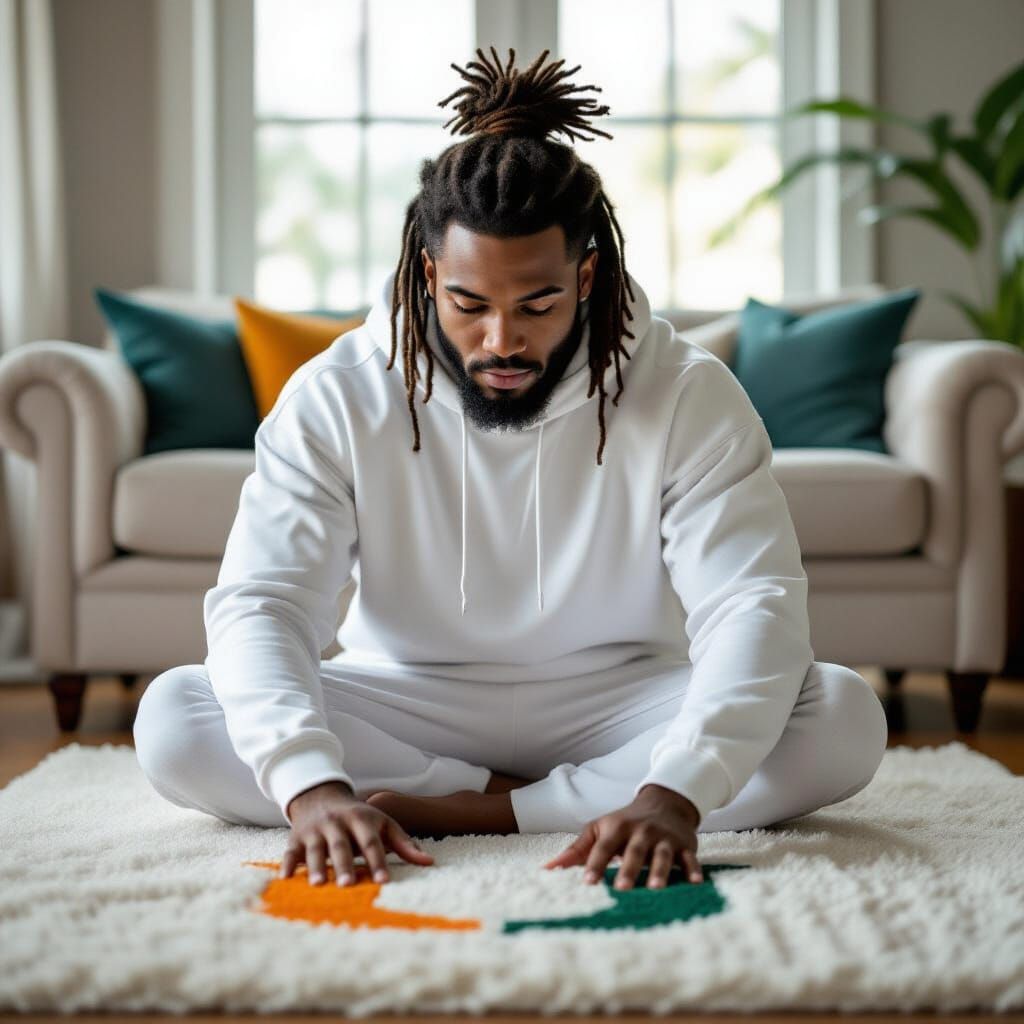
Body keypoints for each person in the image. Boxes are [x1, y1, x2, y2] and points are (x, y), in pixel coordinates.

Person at [133, 46, 888, 894]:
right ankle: (513, 798)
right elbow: (266, 602)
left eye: (537, 304)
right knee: (175, 718)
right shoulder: (338, 394)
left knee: (842, 714)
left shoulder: (686, 391)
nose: (501, 341)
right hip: (404, 700)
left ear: (587, 274)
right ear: (428, 273)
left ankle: (488, 810)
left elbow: (752, 600)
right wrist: (311, 789)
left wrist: (676, 792)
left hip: (621, 700)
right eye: (469, 305)